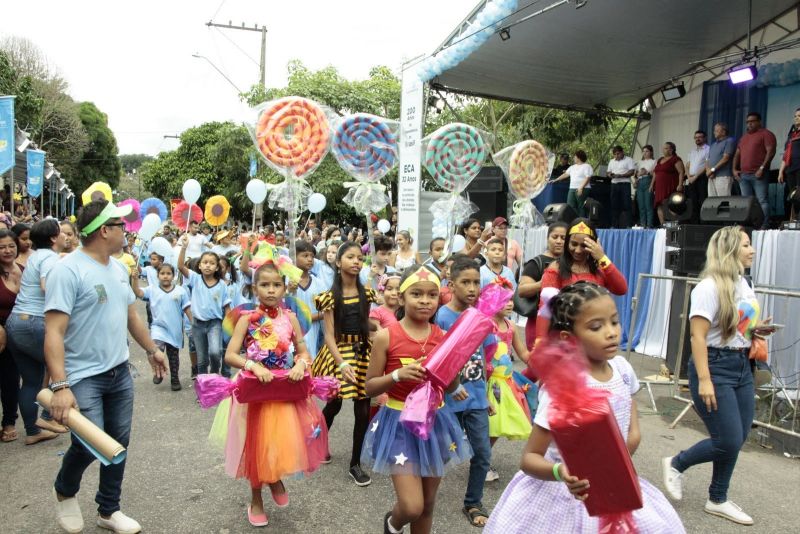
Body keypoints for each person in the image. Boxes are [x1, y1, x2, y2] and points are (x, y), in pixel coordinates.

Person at [485, 282, 684, 533]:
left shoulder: (623, 370)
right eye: (596, 327)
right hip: (562, 495)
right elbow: (529, 458)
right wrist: (561, 471)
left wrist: (618, 461)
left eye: (614, 321)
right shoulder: (561, 388)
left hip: (614, 486)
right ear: (569, 338)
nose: (611, 332)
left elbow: (631, 430)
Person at [45, 199, 168, 534]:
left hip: (119, 373)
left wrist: (152, 349)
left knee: (118, 444)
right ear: (104, 230)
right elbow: (53, 331)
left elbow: (130, 316)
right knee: (91, 444)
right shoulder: (67, 270)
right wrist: (60, 386)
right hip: (82, 377)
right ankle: (65, 489)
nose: (126, 231)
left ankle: (108, 510)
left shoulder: (117, 269)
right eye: (121, 226)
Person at [662, 226, 772, 526]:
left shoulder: (743, 283)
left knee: (738, 436)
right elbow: (697, 338)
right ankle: (676, 463)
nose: (752, 250)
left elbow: (734, 328)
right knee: (728, 439)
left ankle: (718, 498)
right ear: (730, 250)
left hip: (741, 365)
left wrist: (755, 329)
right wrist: (705, 379)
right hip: (714, 366)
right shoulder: (708, 288)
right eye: (746, 245)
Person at [216, 259, 328, 528]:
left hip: (283, 391)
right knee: (255, 447)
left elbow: (302, 350)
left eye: (276, 285)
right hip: (255, 393)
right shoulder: (246, 319)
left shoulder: (290, 318)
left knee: (279, 444)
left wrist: (302, 363)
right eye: (264, 285)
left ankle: (275, 477)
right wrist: (252, 365)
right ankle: (256, 500)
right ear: (255, 288)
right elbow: (231, 355)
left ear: (285, 288)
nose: (271, 290)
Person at [363, 266, 471, 534]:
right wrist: (397, 375)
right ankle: (393, 523)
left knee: (428, 504)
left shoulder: (443, 337)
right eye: (417, 294)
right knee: (412, 506)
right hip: (399, 423)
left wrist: (455, 369)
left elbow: (449, 385)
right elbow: (369, 387)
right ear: (401, 298)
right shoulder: (387, 336)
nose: (425, 301)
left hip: (435, 422)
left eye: (432, 295)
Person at [311, 241, 377, 486]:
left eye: (360, 258)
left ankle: (355, 464)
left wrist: (381, 329)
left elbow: (365, 323)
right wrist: (340, 363)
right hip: (338, 354)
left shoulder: (366, 293)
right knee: (334, 404)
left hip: (361, 353)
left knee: (362, 409)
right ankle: (318, 441)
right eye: (350, 257)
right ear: (338, 263)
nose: (356, 261)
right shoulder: (329, 297)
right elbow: (328, 335)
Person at [435, 256, 492, 527]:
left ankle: (473, 502)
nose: (472, 288)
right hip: (449, 399)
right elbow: (440, 360)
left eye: (476, 283)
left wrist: (489, 394)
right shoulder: (443, 317)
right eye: (465, 282)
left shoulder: (480, 315)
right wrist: (450, 388)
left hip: (478, 396)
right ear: (451, 284)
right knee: (441, 452)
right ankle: (423, 496)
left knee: (482, 453)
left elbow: (484, 358)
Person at [7, 219, 68, 445]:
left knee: (32, 380)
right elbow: (47, 286)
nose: (66, 237)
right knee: (59, 365)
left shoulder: (35, 257)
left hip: (16, 322)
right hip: (34, 322)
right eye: (62, 233)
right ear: (53, 238)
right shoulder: (50, 258)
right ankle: (47, 416)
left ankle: (33, 431)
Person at [535, 219, 628, 338]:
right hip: (566, 338)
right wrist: (540, 341)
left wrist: (602, 258)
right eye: (573, 244)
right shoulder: (556, 269)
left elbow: (621, 289)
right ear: (567, 242)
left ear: (593, 245)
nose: (578, 250)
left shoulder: (600, 268)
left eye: (584, 245)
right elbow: (545, 308)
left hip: (595, 338)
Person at [486, 280, 531, 481]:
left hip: (506, 381)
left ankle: (482, 458)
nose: (510, 304)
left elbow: (522, 352)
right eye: (504, 300)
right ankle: (482, 460)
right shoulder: (487, 324)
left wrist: (540, 358)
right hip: (490, 381)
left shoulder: (511, 325)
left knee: (496, 426)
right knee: (492, 424)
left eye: (511, 300)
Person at [131, 263, 192, 391]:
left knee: (173, 357)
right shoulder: (152, 289)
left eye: (168, 273)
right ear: (157, 275)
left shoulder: (180, 291)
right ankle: (158, 373)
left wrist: (193, 323)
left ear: (173, 275)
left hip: (174, 331)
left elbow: (187, 308)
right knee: (156, 351)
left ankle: (174, 378)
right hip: (158, 328)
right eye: (162, 273)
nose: (165, 276)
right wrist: (134, 279)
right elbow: (138, 292)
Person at [177, 240, 231, 378]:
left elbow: (227, 307)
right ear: (199, 266)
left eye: (212, 263)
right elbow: (180, 266)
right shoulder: (195, 279)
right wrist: (184, 247)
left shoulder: (222, 285)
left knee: (215, 353)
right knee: (202, 361)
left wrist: (230, 326)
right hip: (197, 324)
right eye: (205, 262)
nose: (208, 265)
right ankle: (203, 389)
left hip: (215, 324)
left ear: (217, 267)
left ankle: (213, 376)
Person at [518, 222, 567, 348]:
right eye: (555, 237)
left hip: (563, 325)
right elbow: (522, 290)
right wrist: (544, 283)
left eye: (563, 238)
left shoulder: (572, 264)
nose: (559, 241)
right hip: (538, 324)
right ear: (547, 238)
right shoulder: (536, 263)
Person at [733, 112, 777, 229]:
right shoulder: (744, 138)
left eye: (752, 121)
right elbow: (737, 154)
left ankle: (764, 224)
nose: (749, 124)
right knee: (746, 202)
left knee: (762, 200)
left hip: (758, 174)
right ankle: (748, 224)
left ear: (759, 122)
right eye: (748, 122)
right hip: (744, 176)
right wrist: (734, 169)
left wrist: (762, 168)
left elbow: (771, 151)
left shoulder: (766, 134)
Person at [0, 229, 22, 443]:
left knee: (11, 380)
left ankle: (9, 422)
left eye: (11, 246)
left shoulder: (23, 269)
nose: (7, 250)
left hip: (17, 334)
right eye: (2, 247)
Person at [292, 241, 327, 358]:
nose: (310, 259)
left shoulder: (319, 283)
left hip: (313, 332)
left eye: (312, 256)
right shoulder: (286, 281)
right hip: (290, 332)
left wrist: (307, 319)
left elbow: (326, 310)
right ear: (294, 257)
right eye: (305, 255)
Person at [650, 142, 686, 226]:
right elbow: (656, 172)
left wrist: (680, 184)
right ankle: (663, 224)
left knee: (671, 204)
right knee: (659, 205)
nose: (664, 150)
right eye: (663, 148)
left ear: (671, 149)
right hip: (659, 187)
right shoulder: (660, 159)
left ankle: (674, 224)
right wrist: (652, 184)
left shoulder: (676, 159)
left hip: (671, 185)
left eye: (666, 148)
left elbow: (681, 172)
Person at [552, 150, 593, 218]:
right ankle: (574, 222)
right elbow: (565, 174)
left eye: (575, 156)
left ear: (579, 157)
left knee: (581, 206)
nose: (574, 158)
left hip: (582, 189)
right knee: (570, 206)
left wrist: (581, 187)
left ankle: (582, 223)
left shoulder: (587, 166)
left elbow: (588, 177)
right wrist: (556, 180)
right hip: (572, 188)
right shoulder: (572, 167)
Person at [777, 107, 800, 221]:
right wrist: (781, 171)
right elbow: (786, 153)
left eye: (799, 116)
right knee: (793, 196)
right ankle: (794, 220)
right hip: (790, 168)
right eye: (795, 116)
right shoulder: (792, 134)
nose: (796, 118)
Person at [606, 145, 637, 228]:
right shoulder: (611, 161)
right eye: (615, 154)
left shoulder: (629, 160)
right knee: (614, 205)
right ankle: (614, 225)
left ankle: (628, 225)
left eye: (618, 154)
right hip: (614, 184)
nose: (616, 156)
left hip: (624, 184)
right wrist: (610, 175)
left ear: (622, 152)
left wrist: (621, 175)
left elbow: (632, 172)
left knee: (627, 204)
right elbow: (608, 172)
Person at [685, 130, 710, 223]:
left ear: (705, 138)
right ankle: (695, 222)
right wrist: (688, 177)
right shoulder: (692, 151)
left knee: (702, 200)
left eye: (700, 137)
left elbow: (706, 166)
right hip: (691, 179)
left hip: (701, 178)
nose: (697, 139)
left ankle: (703, 222)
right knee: (693, 201)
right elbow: (687, 165)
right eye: (696, 137)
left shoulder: (708, 149)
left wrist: (695, 177)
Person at [706, 123, 736, 198]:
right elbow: (707, 160)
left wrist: (712, 170)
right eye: (714, 130)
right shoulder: (713, 145)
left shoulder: (729, 141)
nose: (714, 132)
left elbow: (725, 158)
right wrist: (708, 171)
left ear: (723, 132)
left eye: (716, 130)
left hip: (723, 176)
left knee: (723, 200)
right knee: (712, 200)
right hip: (711, 177)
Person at [634, 145, 657, 227]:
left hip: (648, 180)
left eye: (647, 151)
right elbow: (636, 174)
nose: (645, 153)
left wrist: (651, 185)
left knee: (648, 204)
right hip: (640, 182)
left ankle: (649, 224)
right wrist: (635, 180)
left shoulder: (654, 161)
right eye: (643, 151)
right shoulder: (639, 162)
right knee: (641, 205)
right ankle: (643, 224)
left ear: (651, 152)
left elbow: (654, 174)